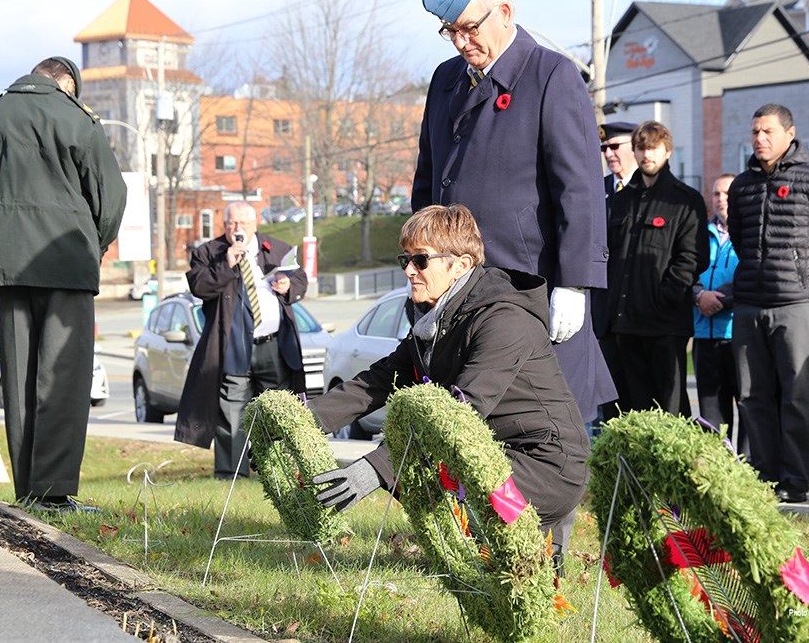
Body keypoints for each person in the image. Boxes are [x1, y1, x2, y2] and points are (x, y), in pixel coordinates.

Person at [308, 204, 590, 562]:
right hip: (494, 455)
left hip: (545, 466)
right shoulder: (438, 321)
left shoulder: (503, 319)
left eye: (421, 260)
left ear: (460, 265)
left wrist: (374, 468)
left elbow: (461, 413)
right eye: (405, 260)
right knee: (432, 493)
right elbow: (376, 382)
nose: (409, 270)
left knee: (436, 492)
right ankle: (518, 553)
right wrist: (302, 419)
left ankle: (529, 548)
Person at [412, 0, 614, 431]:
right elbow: (427, 185)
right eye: (450, 32)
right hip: (457, 290)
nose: (461, 42)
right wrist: (421, 266)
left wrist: (575, 282)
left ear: (504, 12)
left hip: (527, 289)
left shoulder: (550, 76)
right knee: (464, 436)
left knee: (539, 434)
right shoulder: (444, 82)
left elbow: (579, 190)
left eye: (469, 28)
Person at [0, 56, 127, 511]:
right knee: (63, 377)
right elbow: (110, 197)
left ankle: (27, 492)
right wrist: (94, 243)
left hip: (8, 266)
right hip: (67, 266)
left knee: (18, 380)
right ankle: (53, 493)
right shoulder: (76, 119)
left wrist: (5, 236)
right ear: (67, 83)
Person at [727, 104, 809, 503]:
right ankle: (764, 474)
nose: (760, 138)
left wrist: (805, 281)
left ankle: (796, 480)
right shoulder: (741, 185)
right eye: (755, 131)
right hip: (749, 305)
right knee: (752, 395)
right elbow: (742, 241)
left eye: (768, 131)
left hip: (797, 305)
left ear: (789, 134)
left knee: (796, 396)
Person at [174, 202, 309, 479]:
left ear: (254, 225)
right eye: (232, 224)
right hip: (232, 346)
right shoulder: (208, 253)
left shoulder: (278, 248)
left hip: (273, 345)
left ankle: (274, 470)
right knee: (232, 413)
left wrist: (288, 286)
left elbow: (300, 279)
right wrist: (226, 264)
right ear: (225, 226)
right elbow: (199, 286)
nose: (238, 230)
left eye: (243, 224)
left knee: (275, 409)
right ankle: (231, 474)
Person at [603, 121, 708, 418]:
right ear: (634, 152)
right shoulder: (621, 200)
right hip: (624, 325)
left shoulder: (684, 200)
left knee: (669, 409)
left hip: (664, 324)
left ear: (667, 151)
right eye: (641, 148)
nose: (647, 154)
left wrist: (664, 297)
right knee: (628, 412)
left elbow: (693, 258)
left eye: (653, 148)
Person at [692, 174, 746, 455]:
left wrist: (723, 300)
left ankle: (749, 477)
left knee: (747, 409)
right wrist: (698, 295)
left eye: (727, 193)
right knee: (712, 415)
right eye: (716, 194)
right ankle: (719, 474)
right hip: (704, 333)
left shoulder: (748, 232)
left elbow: (753, 274)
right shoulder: (700, 233)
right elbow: (685, 270)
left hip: (738, 334)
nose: (721, 199)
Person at [591, 121, 638, 431]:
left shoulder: (645, 190)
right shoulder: (598, 190)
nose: (609, 154)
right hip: (603, 311)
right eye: (604, 148)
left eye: (615, 147)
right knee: (609, 405)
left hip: (638, 312)